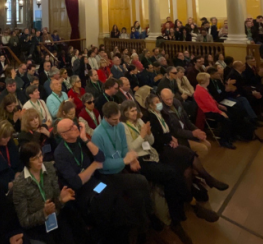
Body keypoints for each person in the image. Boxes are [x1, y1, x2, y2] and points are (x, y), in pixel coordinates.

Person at [119, 100, 197, 243]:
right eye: (131, 111)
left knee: (173, 176)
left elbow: (151, 141)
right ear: (124, 113)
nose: (135, 112)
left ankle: (176, 218)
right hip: (139, 161)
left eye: (135, 110)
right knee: (171, 173)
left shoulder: (140, 122)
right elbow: (130, 150)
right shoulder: (123, 127)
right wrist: (142, 135)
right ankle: (189, 201)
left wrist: (147, 134)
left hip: (150, 154)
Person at [90, 102, 163, 242]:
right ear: (105, 117)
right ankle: (148, 218)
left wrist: (131, 159)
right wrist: (124, 161)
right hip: (108, 174)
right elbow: (102, 164)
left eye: (119, 118)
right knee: (140, 182)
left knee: (139, 192)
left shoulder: (120, 126)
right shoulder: (98, 135)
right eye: (114, 120)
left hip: (121, 169)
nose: (118, 122)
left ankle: (144, 225)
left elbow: (124, 149)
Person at [12, 142, 78, 244]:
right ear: (26, 161)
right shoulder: (20, 184)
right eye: (35, 158)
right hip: (38, 227)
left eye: (41, 155)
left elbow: (56, 200)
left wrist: (61, 200)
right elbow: (24, 221)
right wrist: (44, 213)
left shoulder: (49, 168)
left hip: (56, 218)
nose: (40, 160)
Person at [160, 88, 211, 157]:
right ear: (162, 98)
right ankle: (194, 164)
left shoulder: (177, 102)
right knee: (203, 149)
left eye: (171, 98)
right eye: (167, 99)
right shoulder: (162, 111)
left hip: (186, 132)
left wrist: (196, 129)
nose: (170, 101)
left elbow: (186, 120)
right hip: (179, 138)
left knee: (208, 144)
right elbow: (175, 131)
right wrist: (193, 134)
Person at [194, 73, 237, 149]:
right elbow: (209, 105)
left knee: (230, 114)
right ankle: (224, 141)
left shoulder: (203, 88)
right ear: (205, 81)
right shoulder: (200, 91)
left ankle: (229, 136)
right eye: (208, 79)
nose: (209, 81)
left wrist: (219, 105)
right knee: (226, 120)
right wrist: (220, 112)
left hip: (212, 109)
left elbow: (211, 101)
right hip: (207, 112)